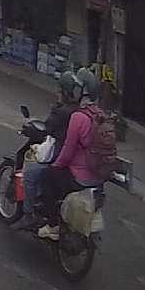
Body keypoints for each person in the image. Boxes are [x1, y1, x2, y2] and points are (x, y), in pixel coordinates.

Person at [38, 69, 105, 241]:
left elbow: (67, 153)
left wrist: (55, 166)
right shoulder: (100, 115)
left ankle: (52, 225)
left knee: (47, 176)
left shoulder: (78, 117)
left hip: (79, 177)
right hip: (99, 178)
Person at [17, 71, 82, 229]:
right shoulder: (80, 111)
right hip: (78, 160)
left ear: (64, 92)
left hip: (61, 159)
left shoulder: (61, 112)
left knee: (30, 175)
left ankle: (28, 215)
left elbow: (47, 128)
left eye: (59, 90)